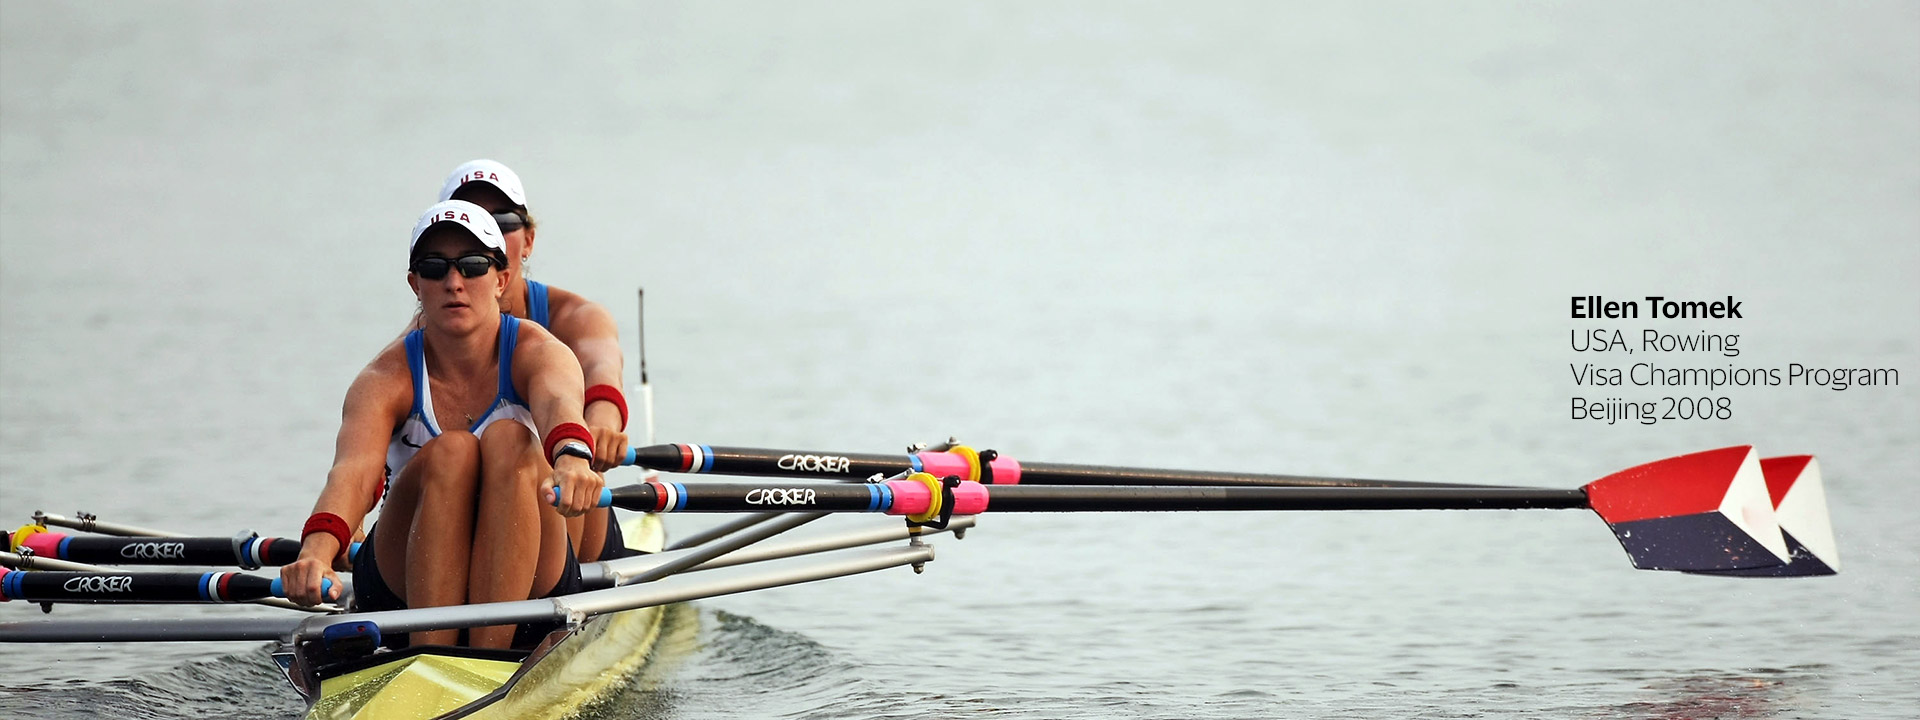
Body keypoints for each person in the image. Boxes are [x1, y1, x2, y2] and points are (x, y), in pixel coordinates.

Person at [281, 200, 604, 649]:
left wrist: (572, 457)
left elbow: (558, 404)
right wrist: (315, 552)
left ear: (502, 279)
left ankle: (475, 665)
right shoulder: (382, 379)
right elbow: (352, 474)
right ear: (415, 284)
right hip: (402, 589)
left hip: (531, 580)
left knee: (510, 440)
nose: (454, 282)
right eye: (435, 268)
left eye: (472, 266)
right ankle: (435, 659)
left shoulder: (540, 352)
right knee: (452, 453)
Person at [434, 159, 636, 562]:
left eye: (501, 221)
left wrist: (602, 424)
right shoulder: (414, 347)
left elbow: (602, 369)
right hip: (463, 527)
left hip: (565, 509)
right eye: (471, 223)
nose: (486, 233)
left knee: (523, 448)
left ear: (527, 241)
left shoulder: (577, 317)